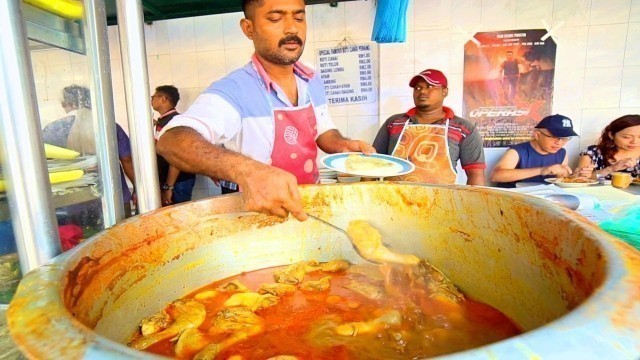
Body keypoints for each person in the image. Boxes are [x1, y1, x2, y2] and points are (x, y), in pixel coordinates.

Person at [156, 0, 374, 220]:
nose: (291, 28)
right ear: (248, 28)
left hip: (307, 207)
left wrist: (343, 145)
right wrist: (248, 171)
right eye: (275, 18)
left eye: (299, 17)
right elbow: (172, 141)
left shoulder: (312, 79)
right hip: (254, 217)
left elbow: (323, 130)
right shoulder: (235, 89)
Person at [372, 69, 486, 185]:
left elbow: (475, 174)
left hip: (443, 200)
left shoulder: (464, 129)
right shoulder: (394, 123)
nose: (422, 91)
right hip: (392, 198)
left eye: (430, 86)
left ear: (445, 91)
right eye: (417, 88)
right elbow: (372, 163)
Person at [42, 85, 136, 217]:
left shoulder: (53, 129)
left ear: (65, 104)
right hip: (114, 198)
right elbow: (126, 159)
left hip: (75, 202)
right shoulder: (108, 125)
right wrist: (137, 188)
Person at [490, 114, 577, 188]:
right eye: (554, 137)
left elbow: (561, 181)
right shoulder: (517, 151)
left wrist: (575, 176)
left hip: (545, 200)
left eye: (564, 138)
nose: (559, 142)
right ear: (537, 135)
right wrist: (542, 170)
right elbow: (496, 176)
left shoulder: (561, 153)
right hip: (514, 200)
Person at [151, 85, 196, 206]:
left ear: (163, 99)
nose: (151, 100)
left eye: (153, 97)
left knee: (178, 218)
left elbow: (176, 157)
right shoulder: (164, 121)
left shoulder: (174, 122)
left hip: (178, 181)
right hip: (170, 179)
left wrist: (169, 187)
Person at [575, 114, 640, 179]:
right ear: (611, 135)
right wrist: (611, 169)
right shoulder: (593, 152)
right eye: (627, 137)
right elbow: (581, 179)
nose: (635, 141)